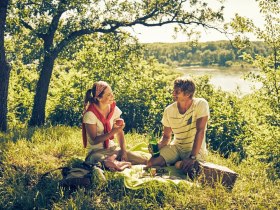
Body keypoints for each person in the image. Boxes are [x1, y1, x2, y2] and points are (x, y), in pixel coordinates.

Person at [147, 76, 210, 174]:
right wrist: (156, 147)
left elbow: (200, 131)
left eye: (177, 91)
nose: (173, 93)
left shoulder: (200, 104)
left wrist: (192, 157)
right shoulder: (169, 110)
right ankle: (177, 163)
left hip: (195, 150)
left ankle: (178, 164)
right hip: (176, 147)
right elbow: (166, 137)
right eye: (174, 90)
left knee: (192, 171)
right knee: (152, 163)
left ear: (188, 94)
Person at [82, 81, 148, 170]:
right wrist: (112, 132)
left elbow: (120, 132)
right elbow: (94, 140)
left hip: (112, 149)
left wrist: (123, 151)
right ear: (99, 98)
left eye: (112, 93)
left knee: (143, 160)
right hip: (96, 152)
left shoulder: (114, 109)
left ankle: (119, 163)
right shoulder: (90, 114)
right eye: (108, 95)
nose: (112, 96)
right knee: (105, 162)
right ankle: (117, 164)